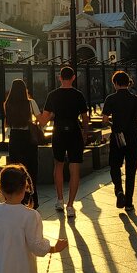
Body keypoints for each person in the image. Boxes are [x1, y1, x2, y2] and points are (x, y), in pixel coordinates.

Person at [38, 66, 89, 219]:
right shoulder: (78, 95)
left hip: (58, 132)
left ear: (59, 78)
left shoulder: (52, 95)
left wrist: (35, 116)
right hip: (74, 132)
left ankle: (60, 200)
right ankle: (71, 205)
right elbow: (85, 118)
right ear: (73, 78)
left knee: (58, 165)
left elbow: (44, 119)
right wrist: (85, 133)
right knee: (75, 169)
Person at [101, 71, 137, 212]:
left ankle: (119, 191)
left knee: (114, 166)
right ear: (128, 83)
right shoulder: (136, 99)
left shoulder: (111, 99)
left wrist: (114, 124)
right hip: (133, 137)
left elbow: (104, 119)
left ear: (114, 84)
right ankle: (129, 203)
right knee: (131, 170)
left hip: (117, 137)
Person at [4, 78, 41, 209]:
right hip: (28, 139)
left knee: (15, 169)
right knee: (31, 169)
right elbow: (41, 119)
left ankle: (16, 199)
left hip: (14, 138)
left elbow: (8, 122)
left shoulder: (8, 104)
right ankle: (32, 199)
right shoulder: (31, 103)